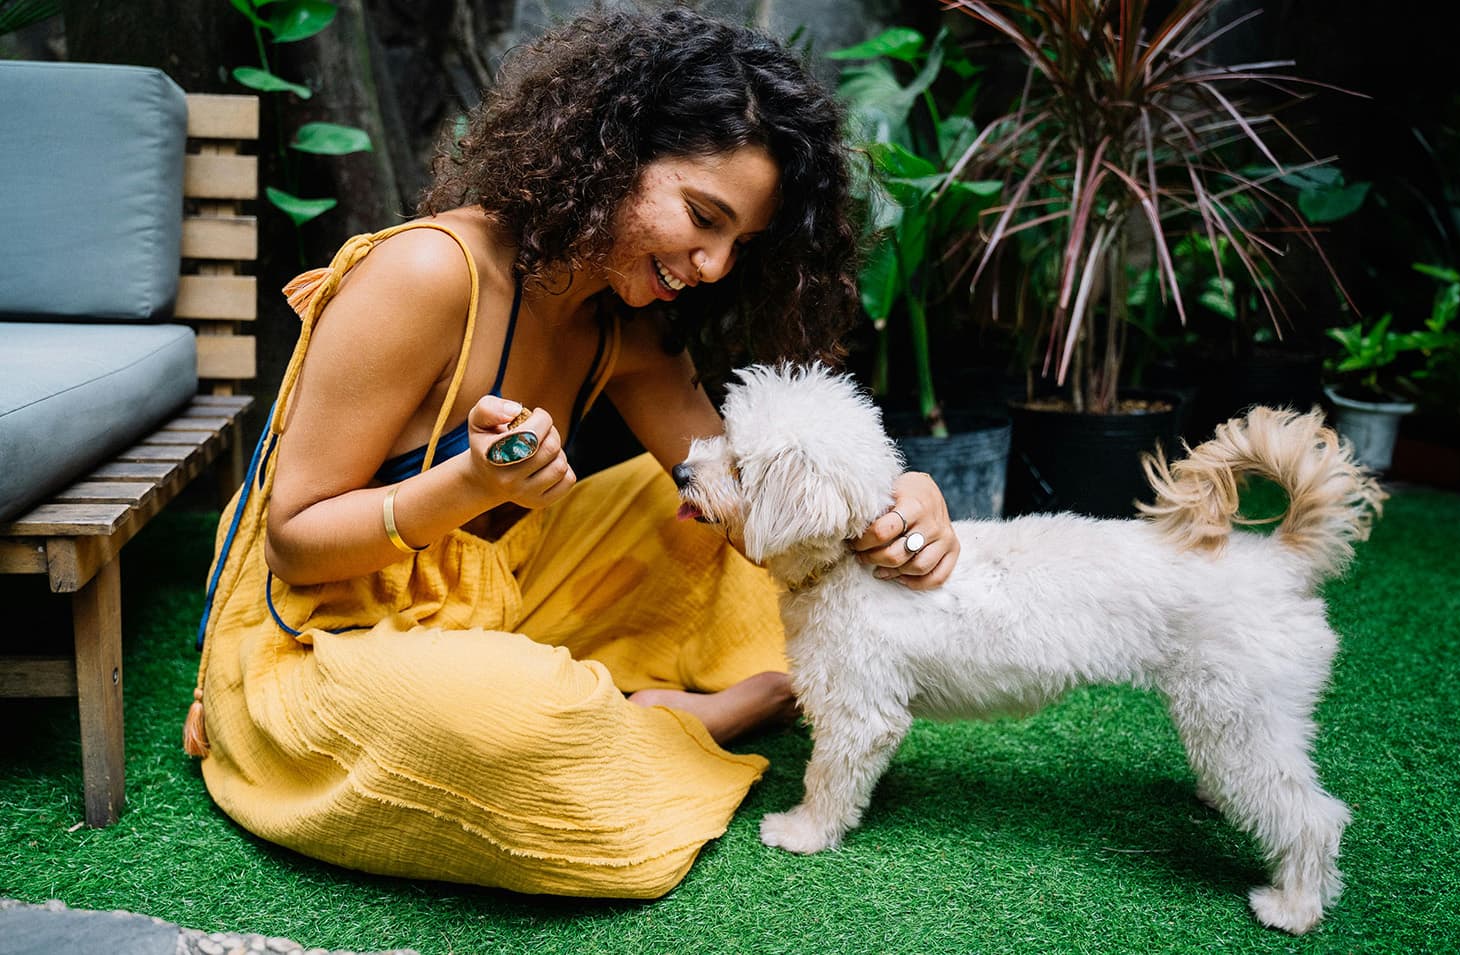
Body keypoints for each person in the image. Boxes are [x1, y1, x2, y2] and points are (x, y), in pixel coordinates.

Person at [185, 5, 959, 900]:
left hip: (501, 595)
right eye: (702, 216)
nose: (711, 265)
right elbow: (294, 540)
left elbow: (755, 505)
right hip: (329, 638)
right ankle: (709, 709)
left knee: (727, 526)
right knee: (516, 721)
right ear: (613, 149)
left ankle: (705, 699)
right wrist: (469, 482)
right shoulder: (429, 275)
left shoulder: (626, 325)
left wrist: (898, 495)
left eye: (738, 245)